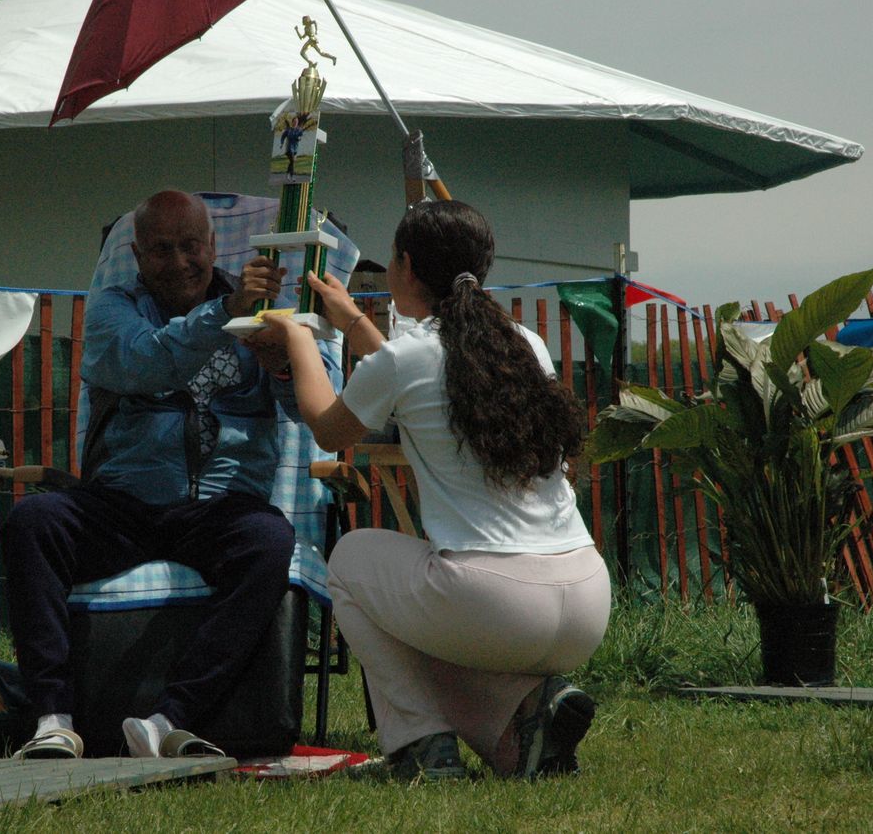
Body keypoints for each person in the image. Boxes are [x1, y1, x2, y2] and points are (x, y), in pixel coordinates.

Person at [256, 200, 611, 780]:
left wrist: (299, 335)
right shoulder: (523, 343)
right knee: (423, 605)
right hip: (587, 597)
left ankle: (422, 744)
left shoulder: (407, 357)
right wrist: (353, 323)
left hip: (497, 602)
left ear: (406, 266)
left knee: (351, 560)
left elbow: (328, 427)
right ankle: (526, 716)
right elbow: (427, 373)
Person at [4, 190, 335, 760]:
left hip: (221, 507)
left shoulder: (267, 312)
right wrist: (223, 313)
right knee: (34, 521)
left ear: (213, 246)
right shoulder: (112, 309)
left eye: (190, 246)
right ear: (136, 254)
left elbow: (310, 408)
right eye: (161, 249)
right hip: (123, 503)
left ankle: (170, 719)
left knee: (269, 540)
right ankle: (52, 719)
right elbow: (145, 360)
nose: (179, 261)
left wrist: (282, 363)